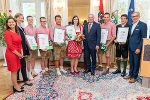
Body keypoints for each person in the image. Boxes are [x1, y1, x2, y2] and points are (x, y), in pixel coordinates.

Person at [124, 12, 147, 83]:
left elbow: (143, 38)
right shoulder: (131, 25)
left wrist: (139, 48)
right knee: (131, 62)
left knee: (136, 62)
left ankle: (134, 77)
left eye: (136, 16)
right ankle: (130, 74)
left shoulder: (143, 25)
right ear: (131, 18)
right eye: (133, 16)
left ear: (139, 16)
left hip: (137, 48)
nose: (134, 17)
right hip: (130, 47)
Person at [4, 17, 24, 92]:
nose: (11, 23)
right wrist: (18, 54)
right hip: (11, 54)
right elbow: (10, 46)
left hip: (18, 53)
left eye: (12, 22)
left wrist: (21, 52)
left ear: (15, 23)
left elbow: (20, 43)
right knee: (14, 71)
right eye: (9, 22)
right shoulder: (7, 32)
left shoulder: (17, 31)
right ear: (7, 24)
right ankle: (15, 86)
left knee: (16, 70)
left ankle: (15, 85)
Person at [14, 13, 32, 86]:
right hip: (19, 49)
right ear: (16, 18)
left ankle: (18, 78)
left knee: (20, 63)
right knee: (23, 64)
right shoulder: (15, 28)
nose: (22, 19)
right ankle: (25, 80)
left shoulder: (21, 27)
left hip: (23, 48)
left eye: (22, 18)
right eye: (20, 18)